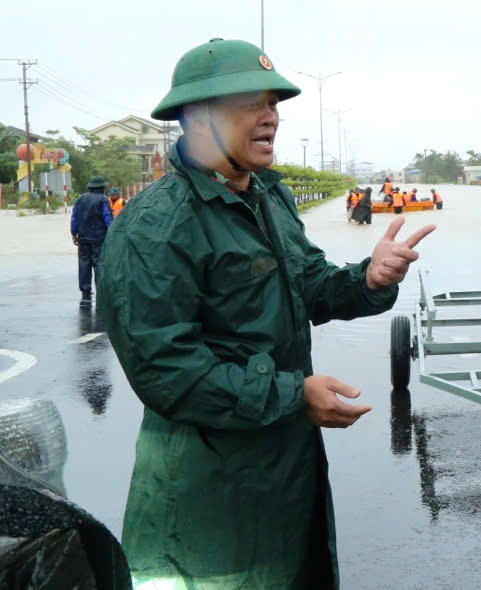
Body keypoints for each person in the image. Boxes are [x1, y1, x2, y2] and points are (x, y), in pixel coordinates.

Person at [97, 38, 435, 589]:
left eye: (273, 104)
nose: (270, 117)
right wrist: (293, 395)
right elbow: (166, 372)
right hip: (206, 499)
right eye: (249, 103)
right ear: (197, 117)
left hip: (287, 474)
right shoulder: (155, 225)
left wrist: (368, 279)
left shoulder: (268, 198)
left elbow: (310, 284)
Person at [70, 175, 113, 303]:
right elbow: (108, 219)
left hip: (83, 238)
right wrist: (112, 234)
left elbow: (74, 217)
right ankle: (101, 291)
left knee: (84, 264)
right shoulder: (103, 199)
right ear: (101, 188)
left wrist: (74, 233)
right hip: (99, 239)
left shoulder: (80, 199)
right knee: (99, 264)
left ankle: (85, 292)